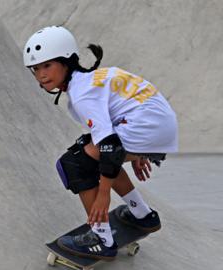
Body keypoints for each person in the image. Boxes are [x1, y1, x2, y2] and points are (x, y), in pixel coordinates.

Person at [23, 26, 178, 261]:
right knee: (94, 149)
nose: (41, 74)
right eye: (35, 69)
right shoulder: (94, 79)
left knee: (74, 162)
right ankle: (142, 214)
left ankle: (101, 239)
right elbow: (128, 107)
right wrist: (140, 152)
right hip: (157, 125)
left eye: (47, 65)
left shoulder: (82, 93)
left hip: (145, 128)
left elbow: (111, 148)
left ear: (66, 62)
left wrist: (103, 195)